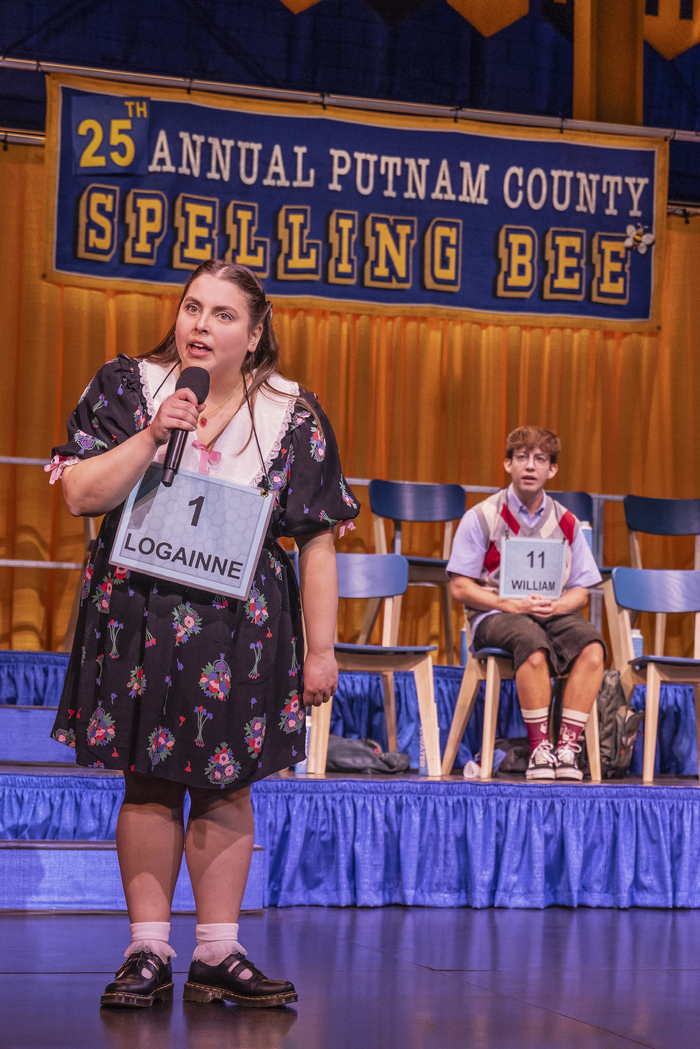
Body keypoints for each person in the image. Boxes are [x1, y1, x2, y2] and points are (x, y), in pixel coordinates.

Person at [46, 259, 360, 1008]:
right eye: (192, 307)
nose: (200, 324)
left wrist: (323, 648)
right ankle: (147, 950)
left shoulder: (295, 414)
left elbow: (318, 539)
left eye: (223, 315)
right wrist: (155, 434)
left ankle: (218, 950)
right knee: (148, 781)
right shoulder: (130, 388)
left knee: (225, 787)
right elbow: (79, 494)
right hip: (138, 616)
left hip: (238, 630)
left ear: (254, 337)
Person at [447, 426, 605, 781]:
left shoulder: (566, 521)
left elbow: (582, 589)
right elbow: (460, 587)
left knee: (593, 647)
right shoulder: (483, 516)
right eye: (522, 457)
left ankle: (566, 747)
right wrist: (509, 604)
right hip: (496, 613)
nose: (530, 466)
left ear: (552, 470)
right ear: (507, 464)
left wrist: (561, 606)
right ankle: (539, 750)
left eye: (540, 459)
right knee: (532, 645)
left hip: (551, 611)